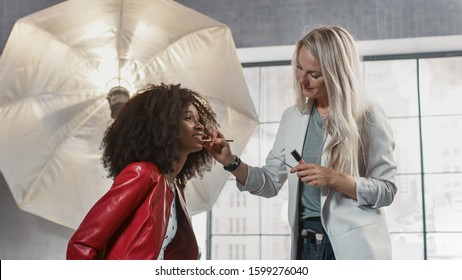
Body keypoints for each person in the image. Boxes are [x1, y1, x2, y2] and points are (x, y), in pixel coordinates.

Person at [205, 25, 397, 260]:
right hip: (307, 246)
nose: (302, 80)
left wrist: (334, 178)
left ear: (337, 74)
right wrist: (230, 162)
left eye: (314, 74)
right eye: (299, 68)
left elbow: (386, 190)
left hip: (354, 249)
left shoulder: (368, 116)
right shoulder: (292, 117)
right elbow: (269, 182)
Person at [67, 83, 218, 260]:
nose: (199, 126)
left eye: (199, 119)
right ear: (165, 125)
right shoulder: (141, 173)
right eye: (188, 118)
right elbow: (83, 244)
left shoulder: (176, 189)